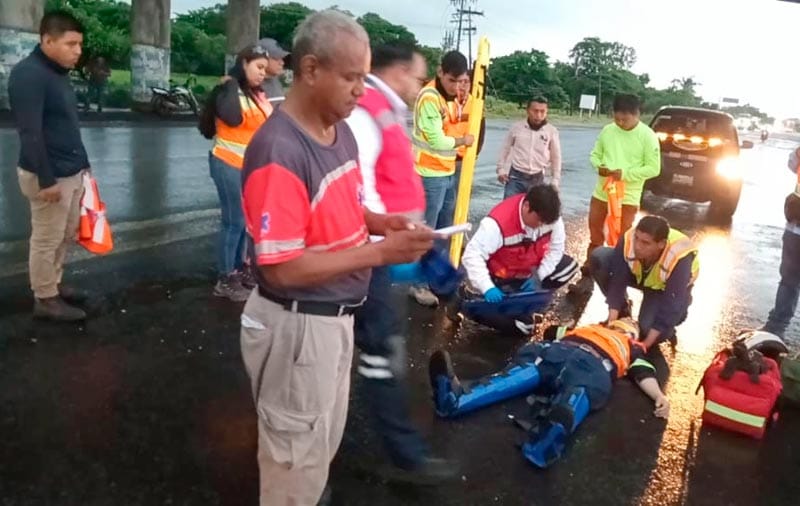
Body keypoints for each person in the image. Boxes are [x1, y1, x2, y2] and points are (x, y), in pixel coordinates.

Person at [238, 11, 436, 505]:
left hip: (335, 319)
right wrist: (379, 252)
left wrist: (380, 223)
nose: (359, 91)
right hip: (298, 326)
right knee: (293, 459)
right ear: (309, 70)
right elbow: (280, 267)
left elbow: (345, 205)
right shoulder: (280, 150)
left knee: (315, 446)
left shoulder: (339, 129)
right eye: (350, 77)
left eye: (363, 77)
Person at [344, 42, 457, 483]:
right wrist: (387, 235)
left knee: (374, 348)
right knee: (381, 351)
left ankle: (399, 451)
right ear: (395, 71)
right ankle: (405, 457)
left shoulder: (384, 107)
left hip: (381, 248)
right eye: (416, 76)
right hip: (368, 252)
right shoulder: (365, 109)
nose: (419, 85)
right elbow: (360, 184)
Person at [429, 317, 669, 468]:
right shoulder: (598, 331)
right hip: (580, 361)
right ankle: (547, 438)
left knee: (534, 380)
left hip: (570, 357)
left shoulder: (630, 347)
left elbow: (643, 373)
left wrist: (658, 395)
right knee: (573, 393)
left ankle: (459, 399)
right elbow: (552, 330)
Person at [8, 11, 91, 321]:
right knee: (46, 238)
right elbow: (30, 132)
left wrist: (83, 165)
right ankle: (45, 298)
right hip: (49, 175)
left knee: (64, 234)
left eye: (79, 44)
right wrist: (46, 180)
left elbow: (64, 125)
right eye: (71, 44)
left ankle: (53, 283)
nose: (78, 51)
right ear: (47, 40)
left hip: (70, 170)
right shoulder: (29, 75)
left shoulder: (56, 72)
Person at [205, 44, 274, 301]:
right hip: (228, 163)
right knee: (233, 222)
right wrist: (233, 82)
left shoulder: (257, 94)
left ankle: (240, 269)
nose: (262, 73)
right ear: (243, 63)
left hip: (249, 167)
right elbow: (233, 119)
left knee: (245, 223)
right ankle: (225, 278)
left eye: (264, 69)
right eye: (258, 67)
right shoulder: (229, 90)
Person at [460, 184, 579, 330]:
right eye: (539, 220)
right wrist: (487, 287)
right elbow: (471, 256)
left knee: (568, 268)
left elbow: (556, 249)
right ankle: (471, 306)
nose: (541, 225)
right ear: (526, 206)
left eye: (545, 223)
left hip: (529, 273)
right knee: (525, 327)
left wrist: (539, 276)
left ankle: (526, 303)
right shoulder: (497, 223)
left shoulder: (551, 219)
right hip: (502, 277)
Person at [410, 50, 475, 307]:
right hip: (430, 173)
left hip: (447, 170)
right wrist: (463, 141)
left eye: (460, 81)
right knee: (427, 231)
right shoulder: (429, 97)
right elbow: (438, 139)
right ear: (440, 73)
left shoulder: (448, 97)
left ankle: (439, 278)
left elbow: (455, 122)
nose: (456, 86)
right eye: (451, 80)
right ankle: (418, 285)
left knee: (445, 228)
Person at [580, 94, 661, 278]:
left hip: (628, 196)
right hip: (602, 192)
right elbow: (595, 154)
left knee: (624, 235)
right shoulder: (608, 130)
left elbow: (653, 169)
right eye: (617, 119)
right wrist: (598, 166)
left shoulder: (647, 136)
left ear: (636, 114)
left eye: (625, 119)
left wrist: (625, 174)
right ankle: (591, 262)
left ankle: (619, 268)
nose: (620, 123)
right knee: (595, 228)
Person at [590, 215, 699, 350]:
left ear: (661, 244)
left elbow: (671, 303)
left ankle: (673, 324)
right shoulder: (629, 238)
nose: (637, 246)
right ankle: (623, 311)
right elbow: (617, 280)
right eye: (637, 239)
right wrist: (612, 323)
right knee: (600, 256)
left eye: (645, 243)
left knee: (648, 329)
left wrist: (645, 344)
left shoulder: (679, 256)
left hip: (664, 290)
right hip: (640, 275)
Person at [762, 146, 800, 337]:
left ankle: (776, 327)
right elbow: (793, 163)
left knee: (789, 282)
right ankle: (775, 327)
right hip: (796, 227)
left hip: (795, 228)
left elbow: (792, 163)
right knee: (789, 281)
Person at [497, 97, 562, 197]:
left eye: (542, 111)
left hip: (537, 179)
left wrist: (555, 180)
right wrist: (501, 169)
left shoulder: (551, 131)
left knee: (534, 210)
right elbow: (505, 148)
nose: (538, 115)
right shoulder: (517, 128)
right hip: (515, 177)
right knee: (510, 209)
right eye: (535, 111)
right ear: (528, 110)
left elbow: (556, 157)